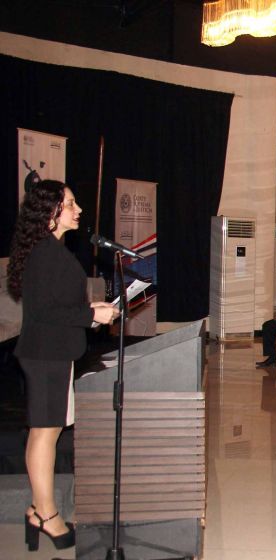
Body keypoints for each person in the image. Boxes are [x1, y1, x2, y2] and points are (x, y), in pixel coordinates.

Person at [8, 180, 120, 551]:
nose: (78, 210)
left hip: (53, 352)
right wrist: (91, 314)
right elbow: (44, 312)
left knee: (48, 432)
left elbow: (57, 305)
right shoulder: (44, 253)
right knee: (44, 433)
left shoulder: (50, 249)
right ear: (50, 212)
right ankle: (44, 514)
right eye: (70, 204)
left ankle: (41, 509)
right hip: (45, 354)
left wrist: (91, 311)